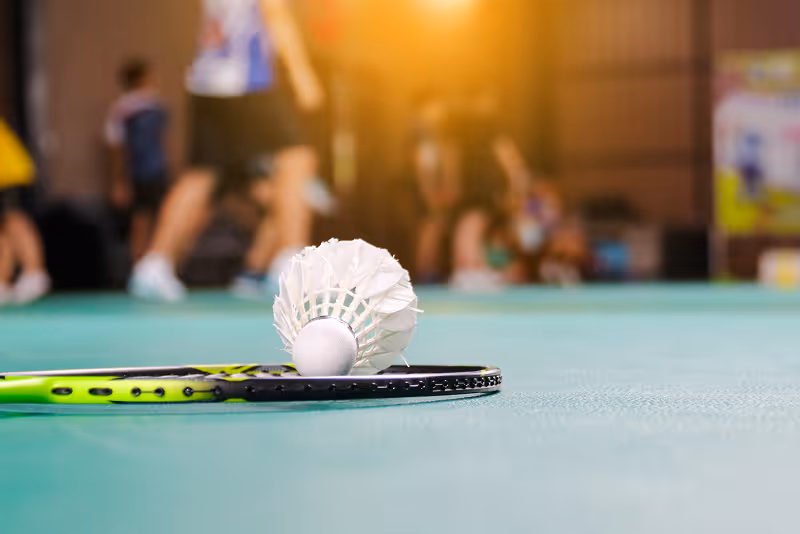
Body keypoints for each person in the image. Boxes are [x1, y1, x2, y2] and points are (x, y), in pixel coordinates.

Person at [129, 0, 324, 302]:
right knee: (296, 158)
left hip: (208, 79)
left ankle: (154, 263)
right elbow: (275, 12)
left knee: (201, 174)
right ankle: (291, 264)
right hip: (248, 80)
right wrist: (302, 75)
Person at [449, 87, 531, 290]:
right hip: (475, 189)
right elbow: (511, 161)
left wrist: (517, 187)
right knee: (470, 228)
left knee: (473, 227)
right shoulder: (473, 128)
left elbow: (511, 161)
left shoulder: (486, 128)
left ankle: (474, 271)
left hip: (484, 190)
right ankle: (470, 271)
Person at [105, 58, 170, 262]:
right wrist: (119, 181)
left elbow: (163, 141)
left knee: (157, 218)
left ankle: (153, 264)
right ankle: (142, 265)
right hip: (139, 172)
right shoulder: (124, 109)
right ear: (142, 78)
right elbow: (116, 147)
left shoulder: (156, 105)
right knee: (142, 220)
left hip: (155, 170)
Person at [0, 119, 50, 305]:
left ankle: (34, 272)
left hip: (10, 173)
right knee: (4, 228)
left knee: (15, 220)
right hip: (7, 174)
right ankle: (2, 280)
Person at [410, 91, 458, 283]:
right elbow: (422, 166)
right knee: (429, 228)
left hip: (430, 188)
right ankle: (424, 272)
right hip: (424, 190)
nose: (440, 110)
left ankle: (429, 269)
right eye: (436, 105)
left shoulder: (433, 131)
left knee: (434, 227)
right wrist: (429, 193)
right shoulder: (422, 132)